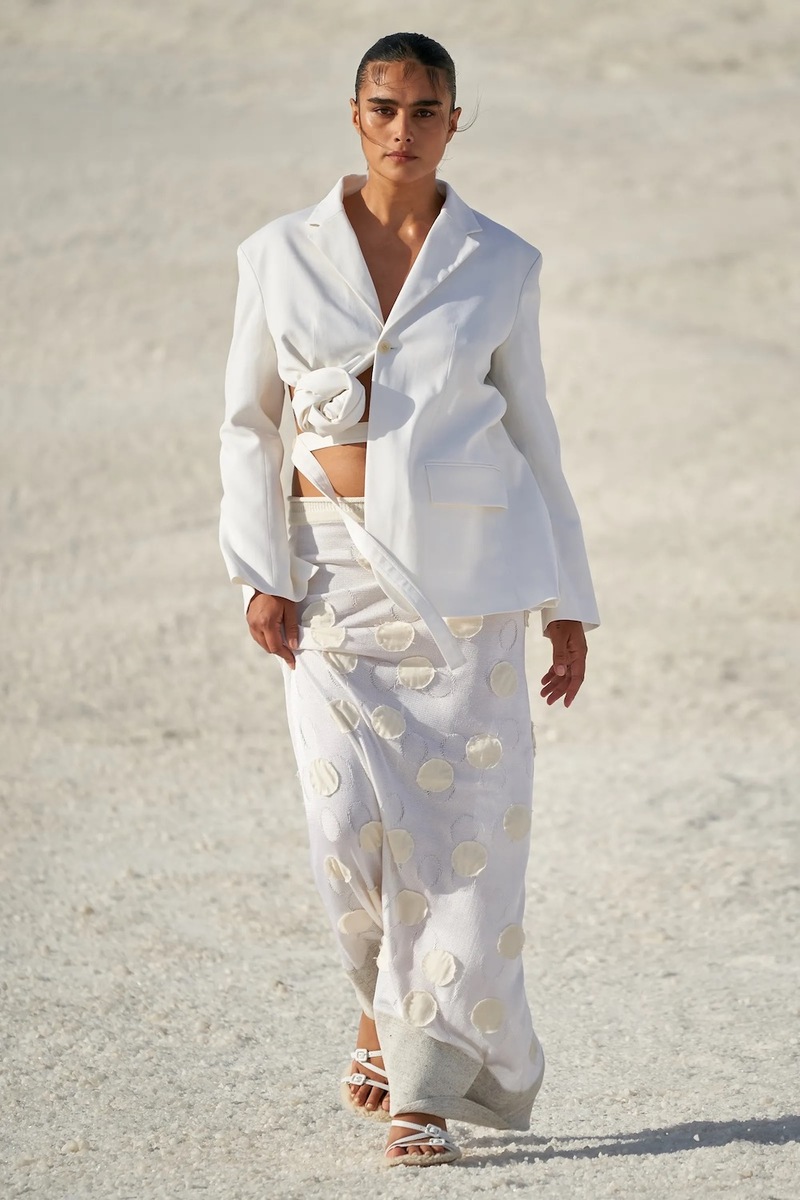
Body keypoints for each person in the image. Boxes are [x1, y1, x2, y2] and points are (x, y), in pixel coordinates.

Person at [219, 31, 599, 1168]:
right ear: (355, 115)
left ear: (453, 122)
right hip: (330, 578)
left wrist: (566, 600)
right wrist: (260, 568)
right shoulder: (277, 254)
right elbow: (248, 422)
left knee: (462, 842)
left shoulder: (499, 261)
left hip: (466, 591)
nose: (403, 128)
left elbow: (531, 428)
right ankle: (379, 1004)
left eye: (425, 110)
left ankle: (423, 1090)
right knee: (346, 829)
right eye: (384, 107)